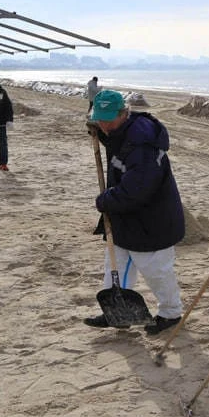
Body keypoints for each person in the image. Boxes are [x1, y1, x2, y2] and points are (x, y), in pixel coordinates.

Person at [84, 89, 185, 336]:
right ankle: (117, 312)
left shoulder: (144, 145)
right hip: (125, 217)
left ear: (124, 113)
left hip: (152, 219)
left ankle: (171, 313)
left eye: (108, 120)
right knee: (116, 262)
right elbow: (120, 144)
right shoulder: (122, 130)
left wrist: (105, 200)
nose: (104, 125)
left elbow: (137, 189)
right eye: (100, 119)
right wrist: (100, 133)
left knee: (156, 270)